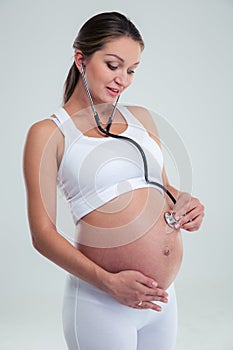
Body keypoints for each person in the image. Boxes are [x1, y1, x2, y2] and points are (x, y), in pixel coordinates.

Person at [23, 11, 204, 350]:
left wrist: (187, 204)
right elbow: (42, 235)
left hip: (161, 300)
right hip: (101, 302)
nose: (123, 79)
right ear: (81, 59)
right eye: (113, 65)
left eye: (131, 70)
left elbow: (163, 188)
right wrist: (109, 283)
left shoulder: (142, 119)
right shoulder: (49, 133)